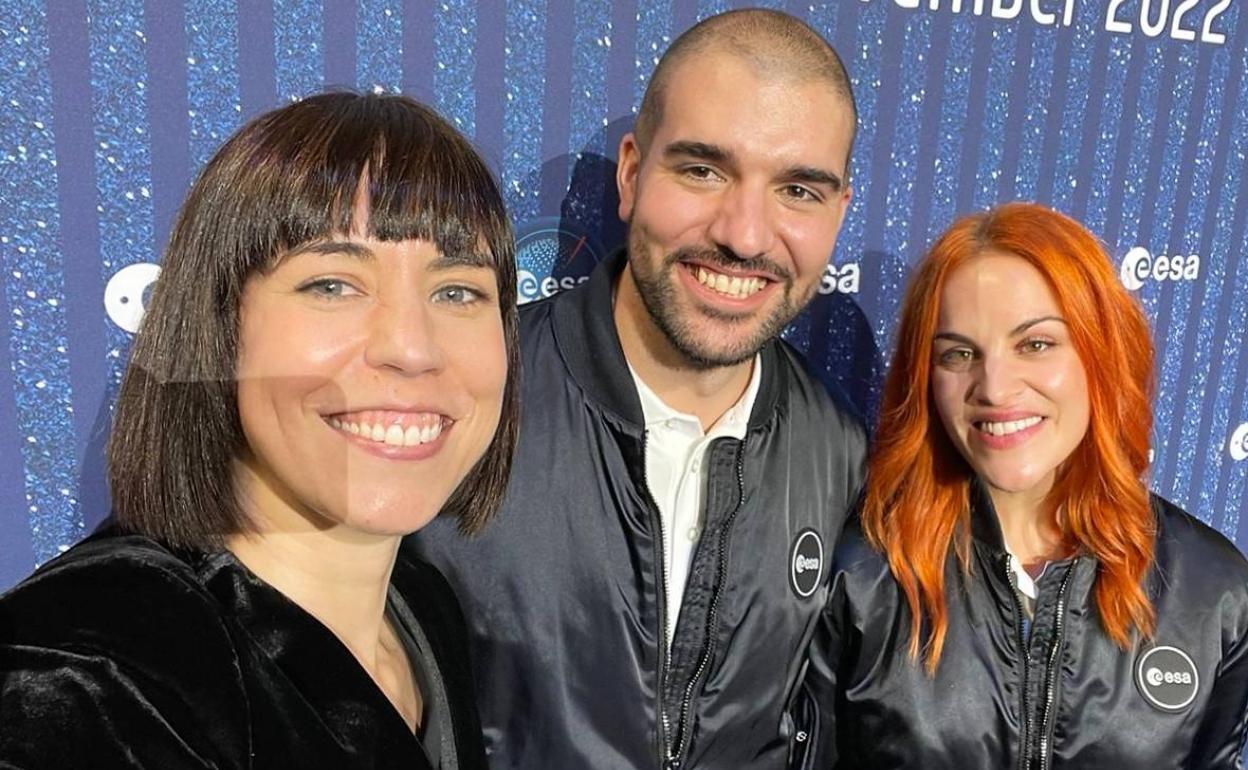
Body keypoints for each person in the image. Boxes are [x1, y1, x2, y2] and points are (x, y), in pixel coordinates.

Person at [0, 92, 519, 770]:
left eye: (457, 292)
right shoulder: (86, 678)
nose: (412, 347)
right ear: (218, 331)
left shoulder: (423, 606)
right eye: (331, 285)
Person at [411, 9, 865, 769]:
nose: (746, 234)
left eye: (798, 190)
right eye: (702, 170)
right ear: (631, 173)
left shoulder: (840, 453)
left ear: (838, 211)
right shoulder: (468, 391)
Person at [809, 202, 1248, 768]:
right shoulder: (862, 573)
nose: (994, 388)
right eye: (959, 354)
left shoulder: (1214, 595)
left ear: (1101, 351)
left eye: (1035, 344)